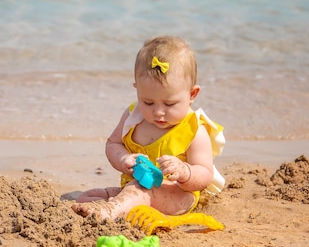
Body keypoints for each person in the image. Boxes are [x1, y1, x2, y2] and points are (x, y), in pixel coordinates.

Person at [72, 35, 226, 221]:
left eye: (169, 104)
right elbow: (113, 143)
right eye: (148, 102)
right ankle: (116, 207)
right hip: (135, 186)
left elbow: (205, 175)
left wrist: (185, 171)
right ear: (137, 90)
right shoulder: (133, 116)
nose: (158, 112)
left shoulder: (194, 130)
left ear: (192, 94)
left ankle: (110, 212)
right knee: (89, 196)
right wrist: (123, 159)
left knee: (137, 193)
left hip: (176, 195)